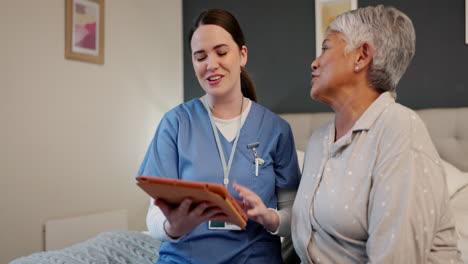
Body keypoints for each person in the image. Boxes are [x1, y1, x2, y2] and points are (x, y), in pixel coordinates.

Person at [289, 5, 462, 263]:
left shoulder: (400, 129)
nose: (314, 63)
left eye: (325, 48)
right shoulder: (318, 141)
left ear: (361, 56)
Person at [138, 8, 301, 264]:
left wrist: (270, 217)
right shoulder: (176, 124)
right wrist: (173, 227)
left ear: (242, 55)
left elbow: (295, 216)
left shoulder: (276, 130)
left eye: (221, 52)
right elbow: (154, 215)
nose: (211, 65)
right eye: (200, 57)